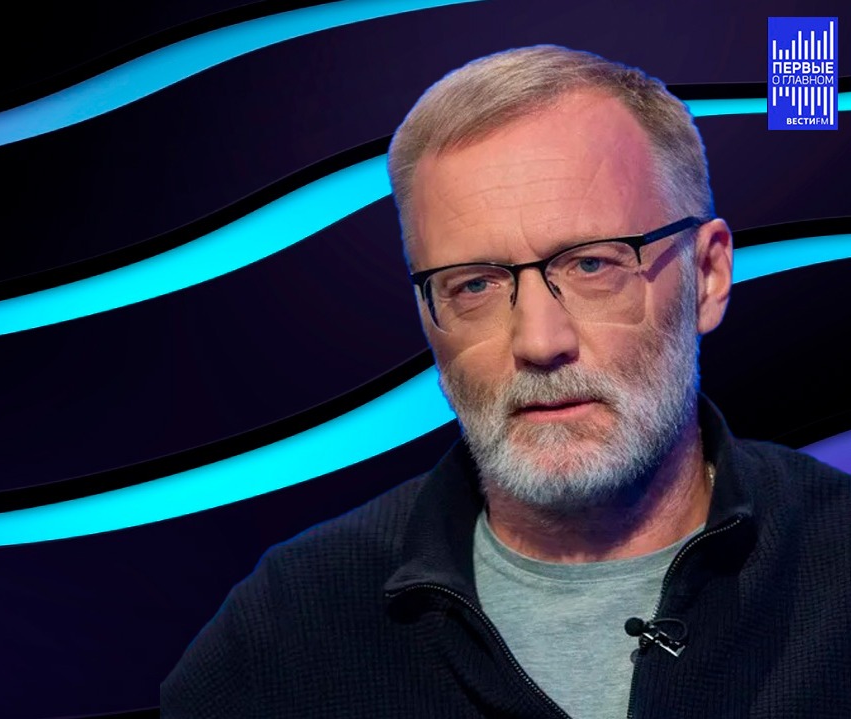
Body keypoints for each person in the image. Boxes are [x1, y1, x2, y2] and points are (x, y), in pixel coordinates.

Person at [161, 45, 851, 718]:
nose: (540, 342)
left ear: (708, 276)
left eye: (592, 265)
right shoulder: (286, 631)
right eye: (475, 285)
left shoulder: (837, 565)